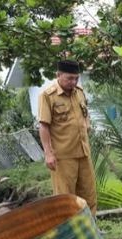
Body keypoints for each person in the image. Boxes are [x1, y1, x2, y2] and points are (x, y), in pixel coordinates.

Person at [38, 59, 97, 215]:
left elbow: (85, 114)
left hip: (84, 152)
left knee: (89, 195)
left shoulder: (79, 92)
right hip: (63, 156)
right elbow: (44, 126)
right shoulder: (48, 96)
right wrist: (48, 153)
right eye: (69, 78)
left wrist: (86, 124)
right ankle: (70, 233)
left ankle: (91, 231)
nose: (73, 82)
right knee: (66, 199)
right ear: (58, 75)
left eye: (76, 78)